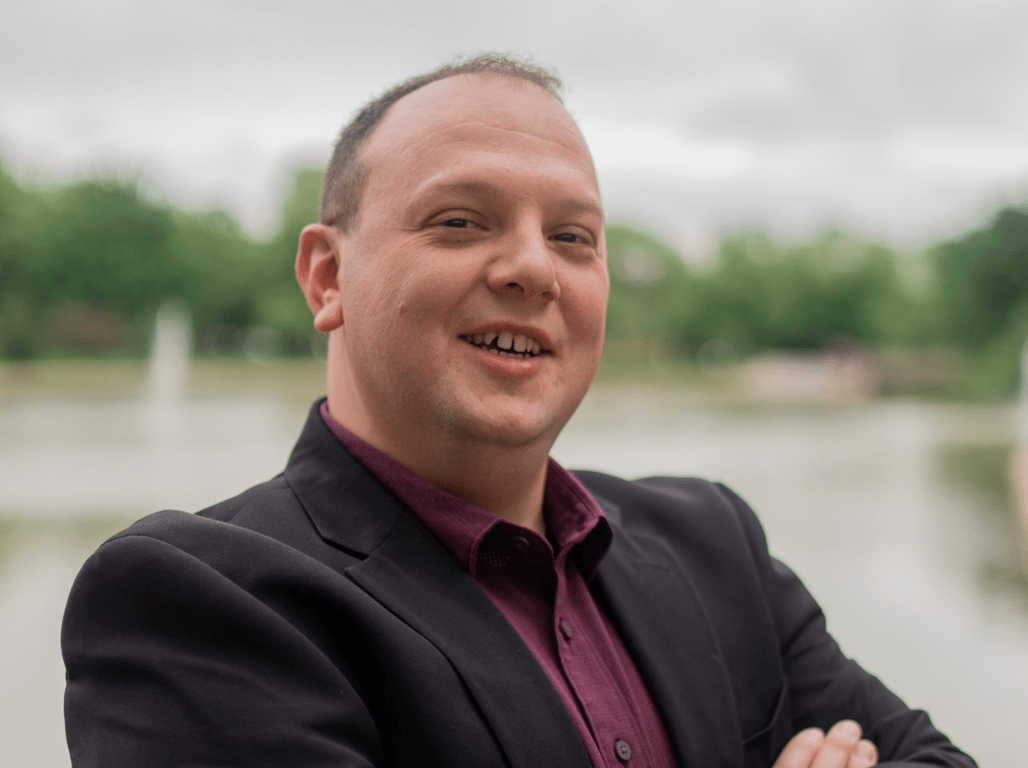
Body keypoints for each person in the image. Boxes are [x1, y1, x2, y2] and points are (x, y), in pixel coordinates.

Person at [62, 55, 976, 768]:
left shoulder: (714, 542)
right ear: (327, 275)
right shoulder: (198, 600)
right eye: (461, 220)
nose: (533, 267)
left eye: (572, 237)